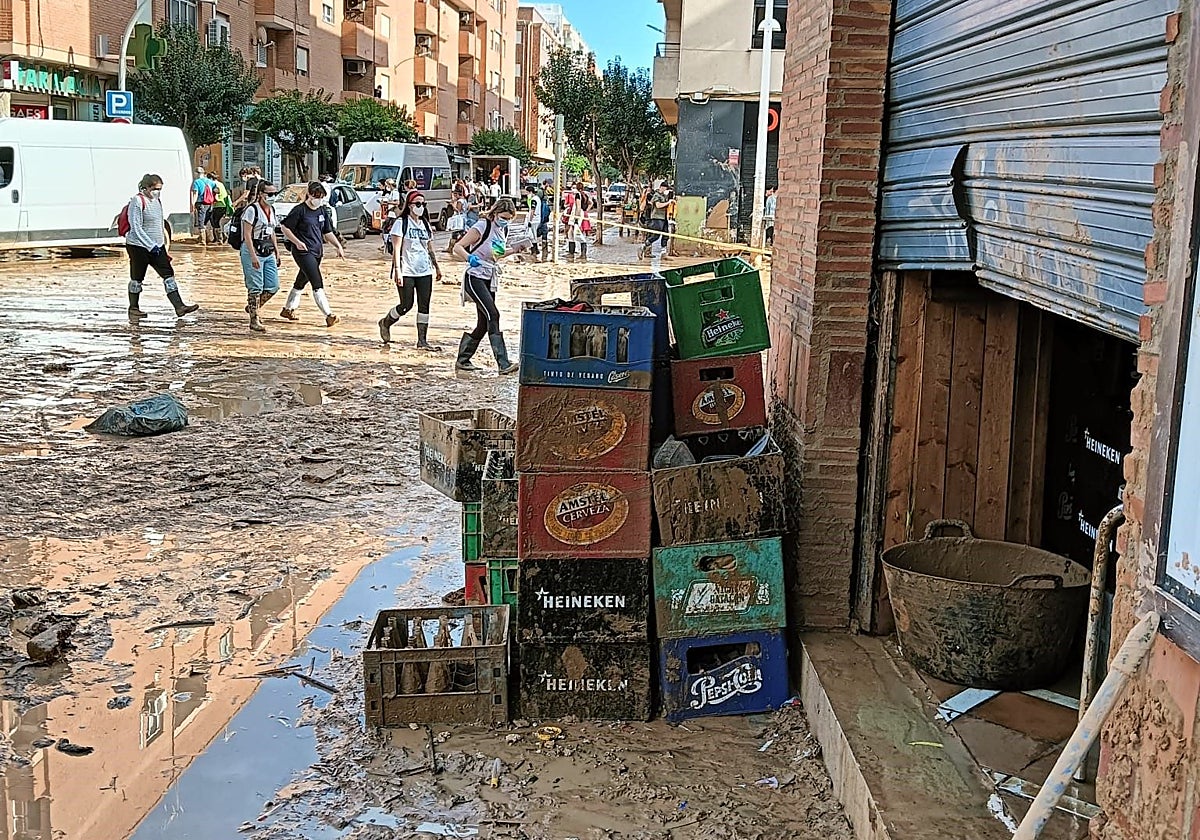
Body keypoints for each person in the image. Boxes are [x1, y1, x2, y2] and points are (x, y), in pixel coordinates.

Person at [451, 198, 532, 374]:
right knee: (493, 314)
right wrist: (469, 258)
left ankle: (463, 360)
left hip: (489, 277)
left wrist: (516, 249)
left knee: (483, 322)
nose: (505, 220)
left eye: (509, 218)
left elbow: (496, 254)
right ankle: (503, 363)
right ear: (494, 213)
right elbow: (457, 247)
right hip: (474, 277)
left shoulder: (502, 229)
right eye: (503, 217)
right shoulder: (482, 226)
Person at [124, 173, 200, 319]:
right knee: (137, 278)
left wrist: (161, 245)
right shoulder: (137, 201)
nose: (157, 191)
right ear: (146, 187)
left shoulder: (157, 201)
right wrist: (149, 245)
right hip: (138, 247)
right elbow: (136, 227)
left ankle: (179, 306)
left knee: (168, 275)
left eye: (160, 189)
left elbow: (159, 224)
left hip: (157, 247)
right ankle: (133, 308)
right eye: (155, 188)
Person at [379, 190, 444, 350]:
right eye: (418, 204)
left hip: (424, 270)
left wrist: (437, 267)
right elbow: (396, 248)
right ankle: (386, 322)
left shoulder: (426, 225)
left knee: (424, 305)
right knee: (406, 304)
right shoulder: (401, 223)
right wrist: (397, 270)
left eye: (423, 204)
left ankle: (422, 341)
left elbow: (429, 247)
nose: (421, 207)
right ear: (409, 205)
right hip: (406, 270)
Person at [278, 181, 346, 326]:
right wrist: (296, 242)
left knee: (301, 281)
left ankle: (288, 309)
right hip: (302, 252)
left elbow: (327, 232)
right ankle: (329, 315)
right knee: (317, 282)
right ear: (309, 194)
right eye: (316, 196)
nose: (318, 200)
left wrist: (338, 246)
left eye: (321, 197)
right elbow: (284, 227)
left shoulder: (322, 211)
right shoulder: (299, 210)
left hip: (317, 252)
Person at [237, 179, 281, 333]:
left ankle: (252, 307)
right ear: (261, 194)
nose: (273, 196)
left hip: (267, 250)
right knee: (255, 287)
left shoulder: (272, 210)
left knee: (273, 286)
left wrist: (277, 251)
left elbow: (272, 231)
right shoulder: (251, 210)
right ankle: (254, 319)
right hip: (252, 250)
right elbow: (247, 235)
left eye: (275, 193)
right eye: (270, 194)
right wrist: (253, 256)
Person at [641, 180, 671, 259]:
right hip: (657, 218)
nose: (666, 190)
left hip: (664, 218)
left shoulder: (664, 196)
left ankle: (663, 253)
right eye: (665, 188)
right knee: (656, 235)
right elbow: (658, 205)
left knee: (666, 235)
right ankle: (643, 246)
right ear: (661, 187)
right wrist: (668, 202)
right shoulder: (657, 195)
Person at [190, 167, 216, 245]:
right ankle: (208, 238)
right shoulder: (210, 181)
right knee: (206, 221)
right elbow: (216, 190)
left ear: (197, 173)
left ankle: (203, 240)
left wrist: (192, 204)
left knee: (201, 221)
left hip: (201, 203)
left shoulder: (196, 182)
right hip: (209, 204)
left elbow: (195, 194)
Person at [209, 173, 231, 245]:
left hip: (218, 205)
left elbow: (216, 193)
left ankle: (219, 240)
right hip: (223, 205)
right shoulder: (221, 184)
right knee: (217, 222)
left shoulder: (214, 184)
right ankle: (222, 237)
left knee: (215, 223)